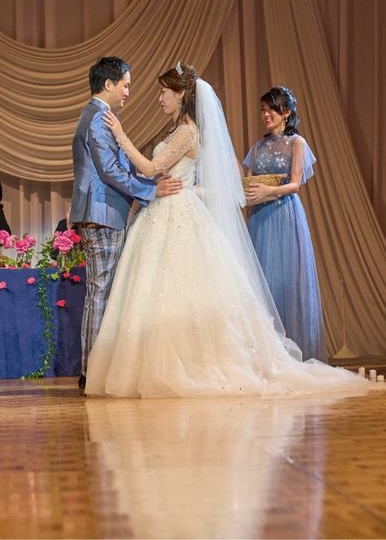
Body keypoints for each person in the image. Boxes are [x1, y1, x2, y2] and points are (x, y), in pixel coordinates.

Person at [84, 63, 366, 398]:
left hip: (176, 213)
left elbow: (151, 167)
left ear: (181, 94)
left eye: (164, 92)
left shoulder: (188, 131)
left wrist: (119, 135)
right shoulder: (175, 130)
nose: (159, 98)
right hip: (161, 210)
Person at [69, 56, 182, 391]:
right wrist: (151, 190)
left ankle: (98, 368)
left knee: (103, 291)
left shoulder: (97, 116)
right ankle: (91, 371)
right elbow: (109, 171)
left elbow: (117, 168)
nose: (128, 92)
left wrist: (148, 182)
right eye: (126, 85)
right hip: (102, 214)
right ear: (108, 84)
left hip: (104, 213)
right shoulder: (98, 118)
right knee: (100, 292)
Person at [243, 87, 325, 362]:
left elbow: (295, 183)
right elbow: (248, 181)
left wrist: (269, 192)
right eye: (263, 109)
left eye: (271, 109)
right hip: (258, 216)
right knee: (261, 281)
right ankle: (263, 355)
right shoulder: (257, 147)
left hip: (284, 214)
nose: (265, 114)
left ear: (286, 112)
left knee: (286, 281)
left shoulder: (296, 143)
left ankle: (292, 355)